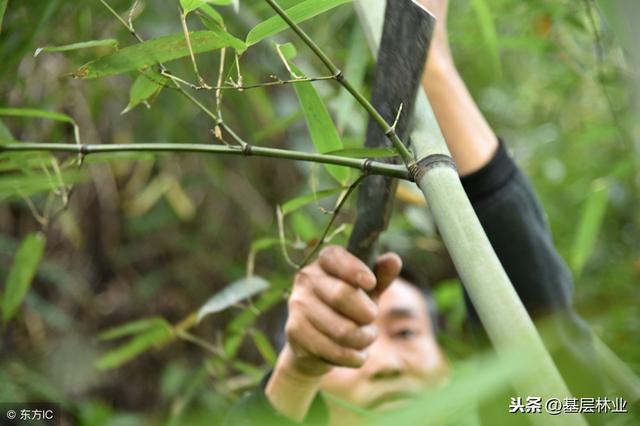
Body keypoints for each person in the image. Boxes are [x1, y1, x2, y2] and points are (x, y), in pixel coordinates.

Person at [224, 0, 604, 424]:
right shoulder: (297, 386)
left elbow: (551, 353)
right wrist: (296, 372)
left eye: (406, 332)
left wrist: (434, 69)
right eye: (354, 343)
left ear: (448, 371)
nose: (387, 365)